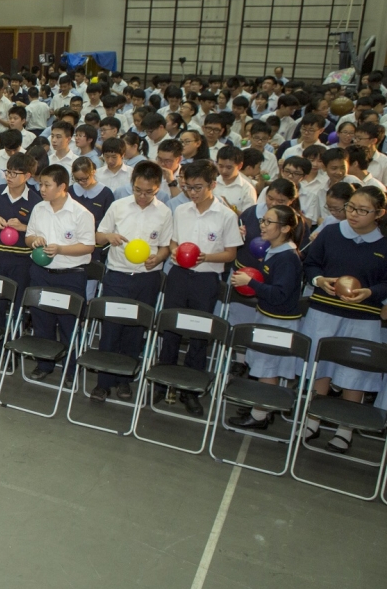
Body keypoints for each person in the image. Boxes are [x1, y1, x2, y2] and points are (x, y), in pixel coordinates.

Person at [300, 185, 387, 452]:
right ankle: (312, 420)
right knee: (320, 369)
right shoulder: (331, 232)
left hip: (363, 318)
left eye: (362, 210)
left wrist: (371, 292)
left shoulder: (384, 243)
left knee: (354, 373)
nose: (353, 214)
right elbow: (310, 264)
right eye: (351, 207)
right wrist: (319, 280)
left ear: (379, 213)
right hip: (324, 312)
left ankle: (345, 429)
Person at [159, 159, 242, 415]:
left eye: (198, 187)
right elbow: (173, 241)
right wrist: (175, 251)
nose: (192, 193)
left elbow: (230, 254)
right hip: (178, 276)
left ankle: (191, 390)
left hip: (206, 280)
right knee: (170, 329)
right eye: (187, 187)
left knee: (198, 334)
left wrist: (206, 257)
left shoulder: (226, 215)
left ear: (212, 185)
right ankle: (164, 383)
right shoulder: (181, 211)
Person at [91, 161, 172, 401]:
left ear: (158, 187)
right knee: (111, 329)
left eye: (149, 192)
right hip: (117, 275)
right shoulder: (118, 206)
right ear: (132, 184)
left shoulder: (164, 212)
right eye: (138, 190)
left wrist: (158, 258)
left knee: (135, 331)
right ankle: (103, 382)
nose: (142, 196)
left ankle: (125, 380)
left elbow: (166, 246)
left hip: (147, 279)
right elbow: (98, 237)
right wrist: (109, 236)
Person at [227, 205, 304, 429]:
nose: (262, 225)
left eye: (269, 222)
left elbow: (280, 294)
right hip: (268, 316)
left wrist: (251, 283)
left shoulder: (287, 258)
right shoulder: (275, 250)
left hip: (278, 321)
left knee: (268, 368)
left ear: (285, 228)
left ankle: (260, 415)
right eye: (263, 220)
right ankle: (261, 407)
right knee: (263, 365)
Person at [24, 165, 97, 380]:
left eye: (47, 185)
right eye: (41, 184)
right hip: (41, 273)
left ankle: (70, 368)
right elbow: (28, 237)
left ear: (62, 186)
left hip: (70, 275)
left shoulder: (81, 213)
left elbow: (89, 246)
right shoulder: (39, 208)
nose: (42, 189)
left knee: (69, 325)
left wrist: (61, 249)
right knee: (42, 321)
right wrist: (34, 240)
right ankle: (44, 364)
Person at [0, 152, 41, 364]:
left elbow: (41, 230)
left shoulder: (36, 200)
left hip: (22, 261)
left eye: (15, 173)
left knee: (18, 307)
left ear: (27, 176)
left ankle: (14, 349)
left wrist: (24, 227)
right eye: (7, 172)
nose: (9, 177)